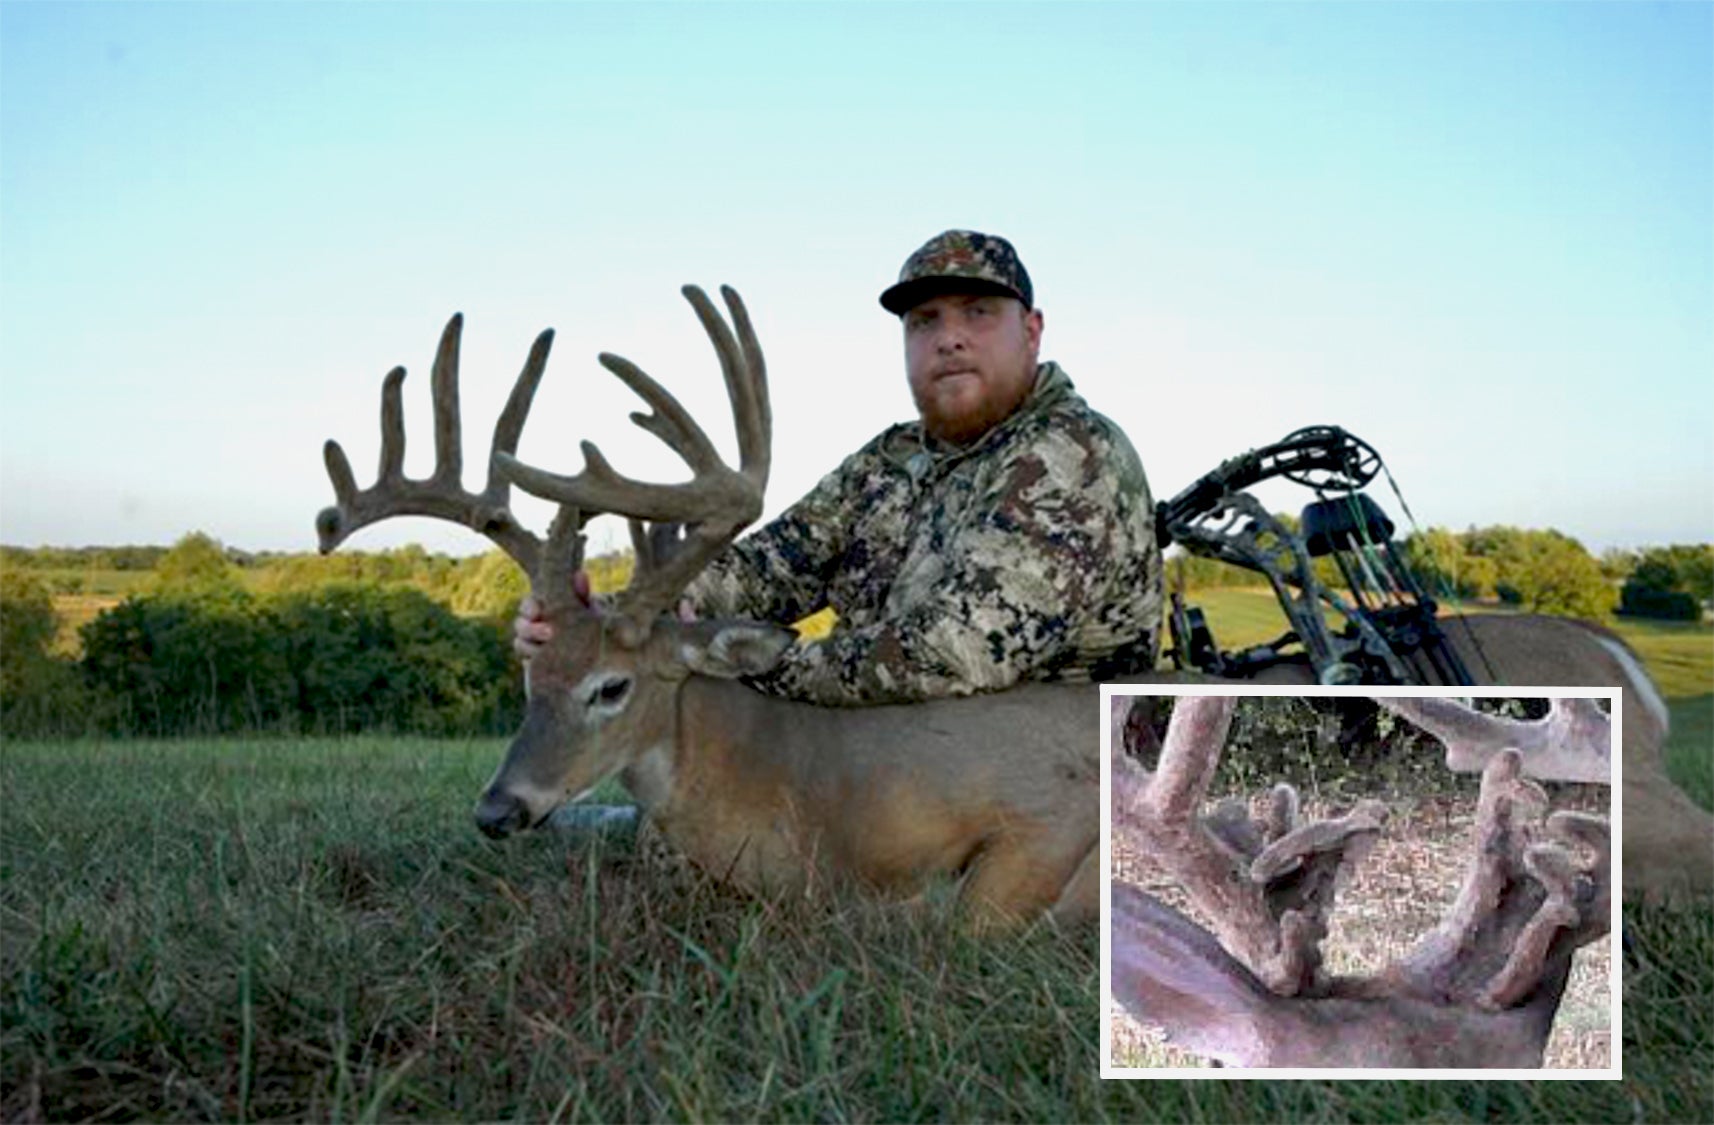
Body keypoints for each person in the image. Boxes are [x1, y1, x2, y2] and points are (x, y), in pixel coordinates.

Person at [516, 229, 1163, 703]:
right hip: (907, 749)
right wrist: (613, 620)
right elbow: (766, 569)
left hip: (1051, 772)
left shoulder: (1074, 454)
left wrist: (733, 657)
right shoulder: (891, 459)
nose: (949, 337)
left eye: (979, 312)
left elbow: (956, 654)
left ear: (1033, 330)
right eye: (924, 321)